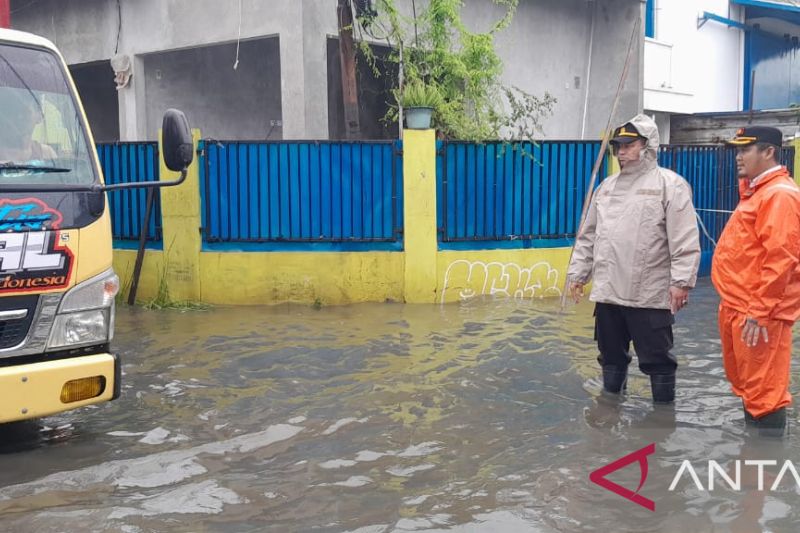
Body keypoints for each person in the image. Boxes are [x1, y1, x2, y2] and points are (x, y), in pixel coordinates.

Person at [567, 114, 701, 404]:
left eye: (629, 145)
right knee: (610, 357)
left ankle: (662, 422)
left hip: (649, 296)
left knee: (658, 360)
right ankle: (610, 412)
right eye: (618, 146)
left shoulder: (670, 185)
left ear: (648, 145)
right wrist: (578, 274)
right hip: (608, 294)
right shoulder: (606, 188)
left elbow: (685, 240)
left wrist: (681, 282)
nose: (621, 152)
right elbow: (588, 234)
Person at [711, 126, 799, 438]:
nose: (738, 156)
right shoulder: (760, 191)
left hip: (758, 314)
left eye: (744, 150)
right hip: (742, 307)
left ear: (768, 152)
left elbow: (782, 258)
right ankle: (755, 460)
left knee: (764, 393)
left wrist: (760, 311)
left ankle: (766, 469)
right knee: (750, 387)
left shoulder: (779, 195)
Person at [0, 87, 57, 163]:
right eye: (14, 111)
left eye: (25, 111)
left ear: (39, 116)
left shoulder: (46, 154)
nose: (18, 116)